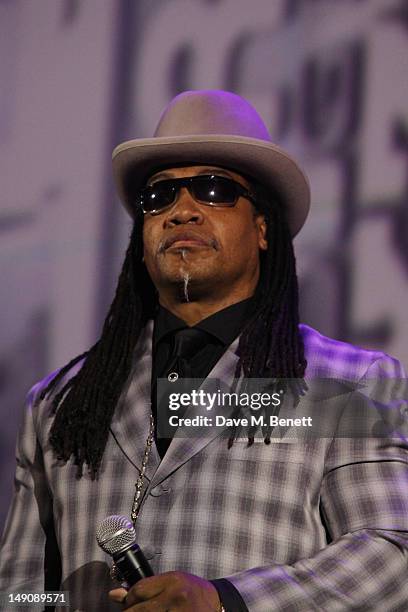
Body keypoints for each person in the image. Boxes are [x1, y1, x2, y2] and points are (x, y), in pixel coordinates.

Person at [0, 90, 407, 612]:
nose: (181, 211)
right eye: (159, 196)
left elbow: (394, 554)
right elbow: (21, 589)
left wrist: (228, 601)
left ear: (262, 228)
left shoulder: (350, 383)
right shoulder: (59, 401)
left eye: (213, 190)